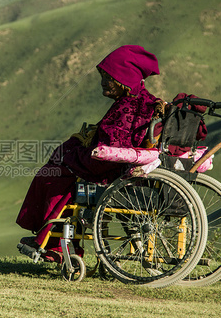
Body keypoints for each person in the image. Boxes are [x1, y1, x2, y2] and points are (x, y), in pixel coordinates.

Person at [16, 45, 163, 262]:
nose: (103, 83)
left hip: (109, 170)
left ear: (123, 78)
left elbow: (109, 153)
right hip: (116, 164)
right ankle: (50, 240)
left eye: (108, 77)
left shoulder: (127, 108)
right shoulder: (140, 101)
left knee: (52, 176)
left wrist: (72, 155)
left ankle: (54, 244)